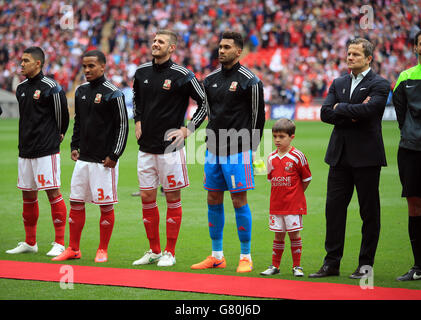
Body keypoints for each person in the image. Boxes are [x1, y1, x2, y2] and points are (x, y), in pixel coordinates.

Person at [309, 38, 390, 279]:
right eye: (349, 53)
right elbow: (325, 113)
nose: (350, 57)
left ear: (368, 58)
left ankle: (365, 264)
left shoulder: (381, 83)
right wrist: (350, 112)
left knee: (369, 213)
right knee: (333, 211)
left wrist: (340, 109)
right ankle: (331, 263)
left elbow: (370, 111)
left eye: (355, 54)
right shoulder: (339, 82)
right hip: (339, 157)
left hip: (367, 157)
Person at [191, 31, 265, 273]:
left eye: (226, 47)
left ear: (238, 51)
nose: (221, 50)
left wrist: (254, 150)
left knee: (238, 199)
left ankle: (246, 256)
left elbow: (258, 117)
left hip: (239, 149)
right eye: (220, 46)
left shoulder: (250, 80)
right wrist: (189, 129)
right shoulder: (210, 79)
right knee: (212, 198)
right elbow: (207, 112)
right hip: (213, 149)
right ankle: (217, 255)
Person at [131, 30, 207, 267]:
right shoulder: (141, 72)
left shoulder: (183, 75)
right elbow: (136, 99)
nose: (155, 44)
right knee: (146, 197)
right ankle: (153, 250)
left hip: (170, 149)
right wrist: (138, 120)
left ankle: (169, 252)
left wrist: (189, 129)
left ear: (171, 48)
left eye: (160, 42)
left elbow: (205, 102)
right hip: (145, 148)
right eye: (154, 40)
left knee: (172, 198)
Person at [52, 50, 128, 263]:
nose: (87, 70)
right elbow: (78, 121)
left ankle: (102, 249)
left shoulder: (114, 93)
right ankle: (73, 248)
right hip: (83, 160)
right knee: (76, 202)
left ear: (103, 67)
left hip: (104, 162)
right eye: (84, 66)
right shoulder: (81, 91)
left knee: (105, 206)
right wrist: (74, 145)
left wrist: (115, 154)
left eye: (91, 66)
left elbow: (123, 126)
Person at [6, 47, 69, 257]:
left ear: (38, 64)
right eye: (21, 60)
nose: (21, 64)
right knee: (28, 195)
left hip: (46, 150)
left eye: (26, 61)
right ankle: (30, 242)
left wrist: (57, 136)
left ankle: (59, 242)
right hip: (25, 150)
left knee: (52, 193)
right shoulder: (21, 88)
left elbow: (63, 117)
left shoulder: (51, 87)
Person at [392, 29, 421, 281]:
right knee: (415, 206)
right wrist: (411, 134)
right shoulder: (405, 77)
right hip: (410, 150)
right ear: (415, 48)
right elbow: (401, 113)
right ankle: (420, 268)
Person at [260, 119, 311, 277]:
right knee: (278, 235)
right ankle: (275, 266)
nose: (277, 140)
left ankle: (297, 266)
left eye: (281, 136)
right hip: (276, 204)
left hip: (293, 205)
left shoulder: (298, 156)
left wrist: (296, 194)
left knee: (294, 234)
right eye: (275, 136)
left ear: (291, 137)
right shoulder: (271, 157)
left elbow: (306, 179)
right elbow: (271, 179)